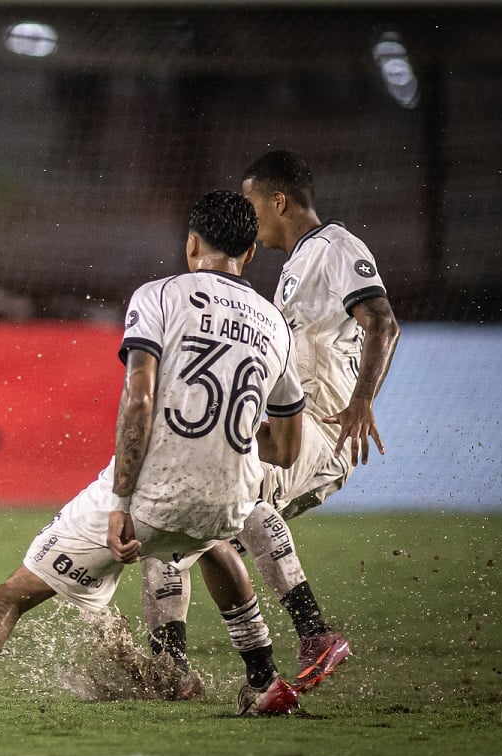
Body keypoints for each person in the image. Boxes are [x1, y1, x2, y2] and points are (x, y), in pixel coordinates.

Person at [0, 191, 306, 721]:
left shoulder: (159, 297)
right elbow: (285, 449)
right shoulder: (276, 324)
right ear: (251, 253)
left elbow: (140, 401)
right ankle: (264, 679)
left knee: (7, 596)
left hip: (149, 496)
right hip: (232, 499)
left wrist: (122, 499)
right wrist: (225, 432)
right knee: (214, 543)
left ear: (192, 242)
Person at [140, 150, 401, 693]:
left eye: (252, 200)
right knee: (176, 526)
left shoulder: (335, 247)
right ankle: (169, 669)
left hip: (323, 428)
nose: (247, 211)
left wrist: (361, 401)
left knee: (237, 491)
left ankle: (315, 633)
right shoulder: (292, 269)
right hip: (284, 426)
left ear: (278, 200)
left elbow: (382, 321)